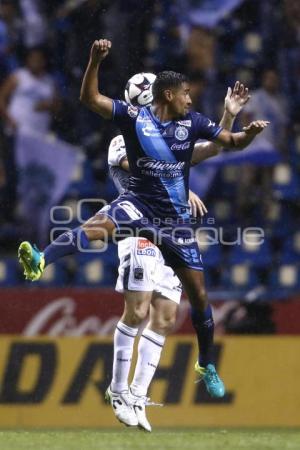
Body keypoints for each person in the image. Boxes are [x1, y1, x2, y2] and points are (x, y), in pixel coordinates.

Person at [18, 38, 269, 426]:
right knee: (99, 225)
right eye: (185, 93)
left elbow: (229, 144)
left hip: (174, 223)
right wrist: (94, 60)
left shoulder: (193, 122)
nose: (190, 98)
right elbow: (90, 99)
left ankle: (205, 365)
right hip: (139, 205)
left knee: (199, 297)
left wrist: (238, 122)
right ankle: (40, 259)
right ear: (165, 94)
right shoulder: (133, 122)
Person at [106, 78, 250, 432]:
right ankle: (118, 390)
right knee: (137, 311)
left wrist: (227, 119)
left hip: (171, 232)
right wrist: (181, 191)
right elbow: (145, 168)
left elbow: (212, 149)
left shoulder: (173, 131)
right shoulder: (123, 138)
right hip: (139, 229)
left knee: (166, 317)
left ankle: (138, 396)